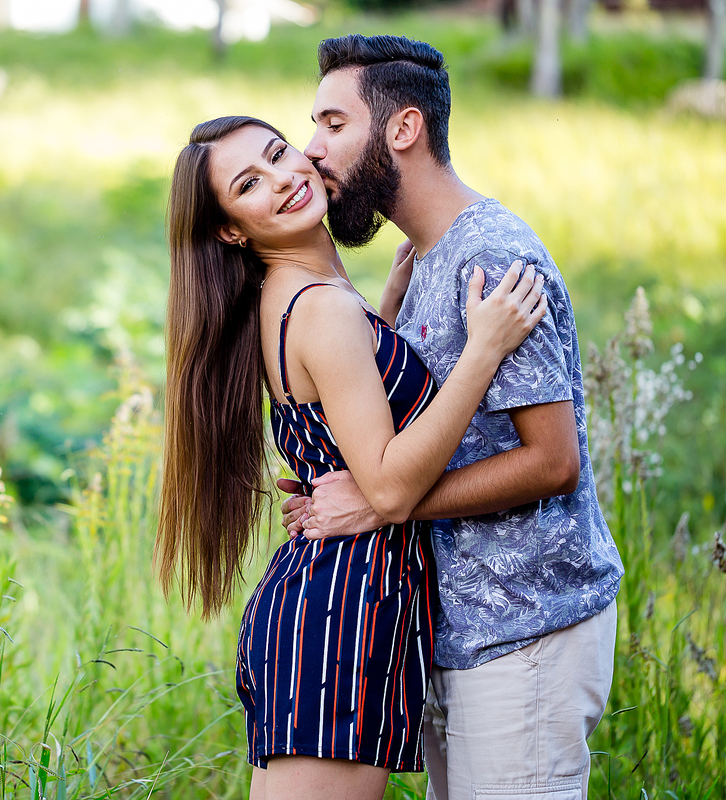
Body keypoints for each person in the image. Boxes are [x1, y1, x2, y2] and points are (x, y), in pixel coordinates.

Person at [155, 115, 547, 800]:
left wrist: (383, 320)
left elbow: (344, 421)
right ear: (231, 230)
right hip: (339, 619)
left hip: (339, 606)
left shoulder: (305, 299)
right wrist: (483, 351)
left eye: (279, 154)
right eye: (249, 184)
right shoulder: (321, 309)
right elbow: (390, 490)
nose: (282, 179)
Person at [281, 35, 625, 800]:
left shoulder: (495, 258)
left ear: (402, 129)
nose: (311, 151)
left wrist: (377, 503)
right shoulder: (427, 256)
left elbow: (550, 462)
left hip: (527, 628)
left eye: (332, 124)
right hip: (460, 635)